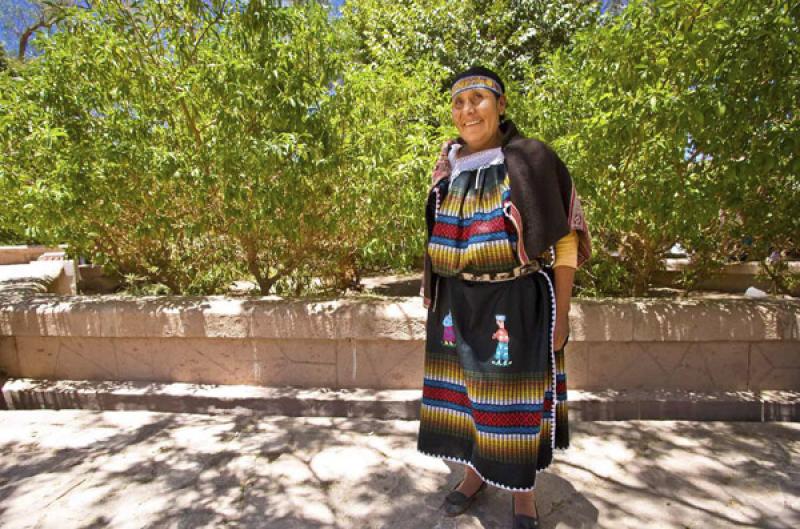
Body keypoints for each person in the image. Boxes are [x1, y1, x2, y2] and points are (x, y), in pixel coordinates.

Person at [417, 66, 591, 529]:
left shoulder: (532, 159)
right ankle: (475, 472)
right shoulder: (447, 165)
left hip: (515, 301)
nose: (467, 110)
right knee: (467, 398)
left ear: (501, 104)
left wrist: (564, 313)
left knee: (517, 402)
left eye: (478, 98)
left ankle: (523, 493)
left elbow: (565, 240)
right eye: (458, 102)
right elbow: (436, 236)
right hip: (456, 304)